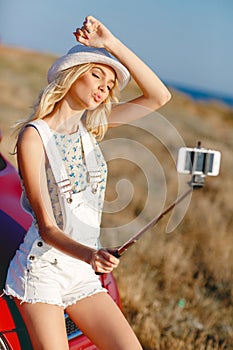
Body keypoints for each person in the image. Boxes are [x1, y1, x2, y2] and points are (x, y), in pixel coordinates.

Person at [4, 15, 171, 350]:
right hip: (44, 272)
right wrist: (91, 255)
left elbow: (158, 97)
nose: (103, 88)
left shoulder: (93, 128)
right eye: (97, 74)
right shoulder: (34, 137)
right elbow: (47, 228)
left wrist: (110, 44)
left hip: (81, 274)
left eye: (109, 85)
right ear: (71, 74)